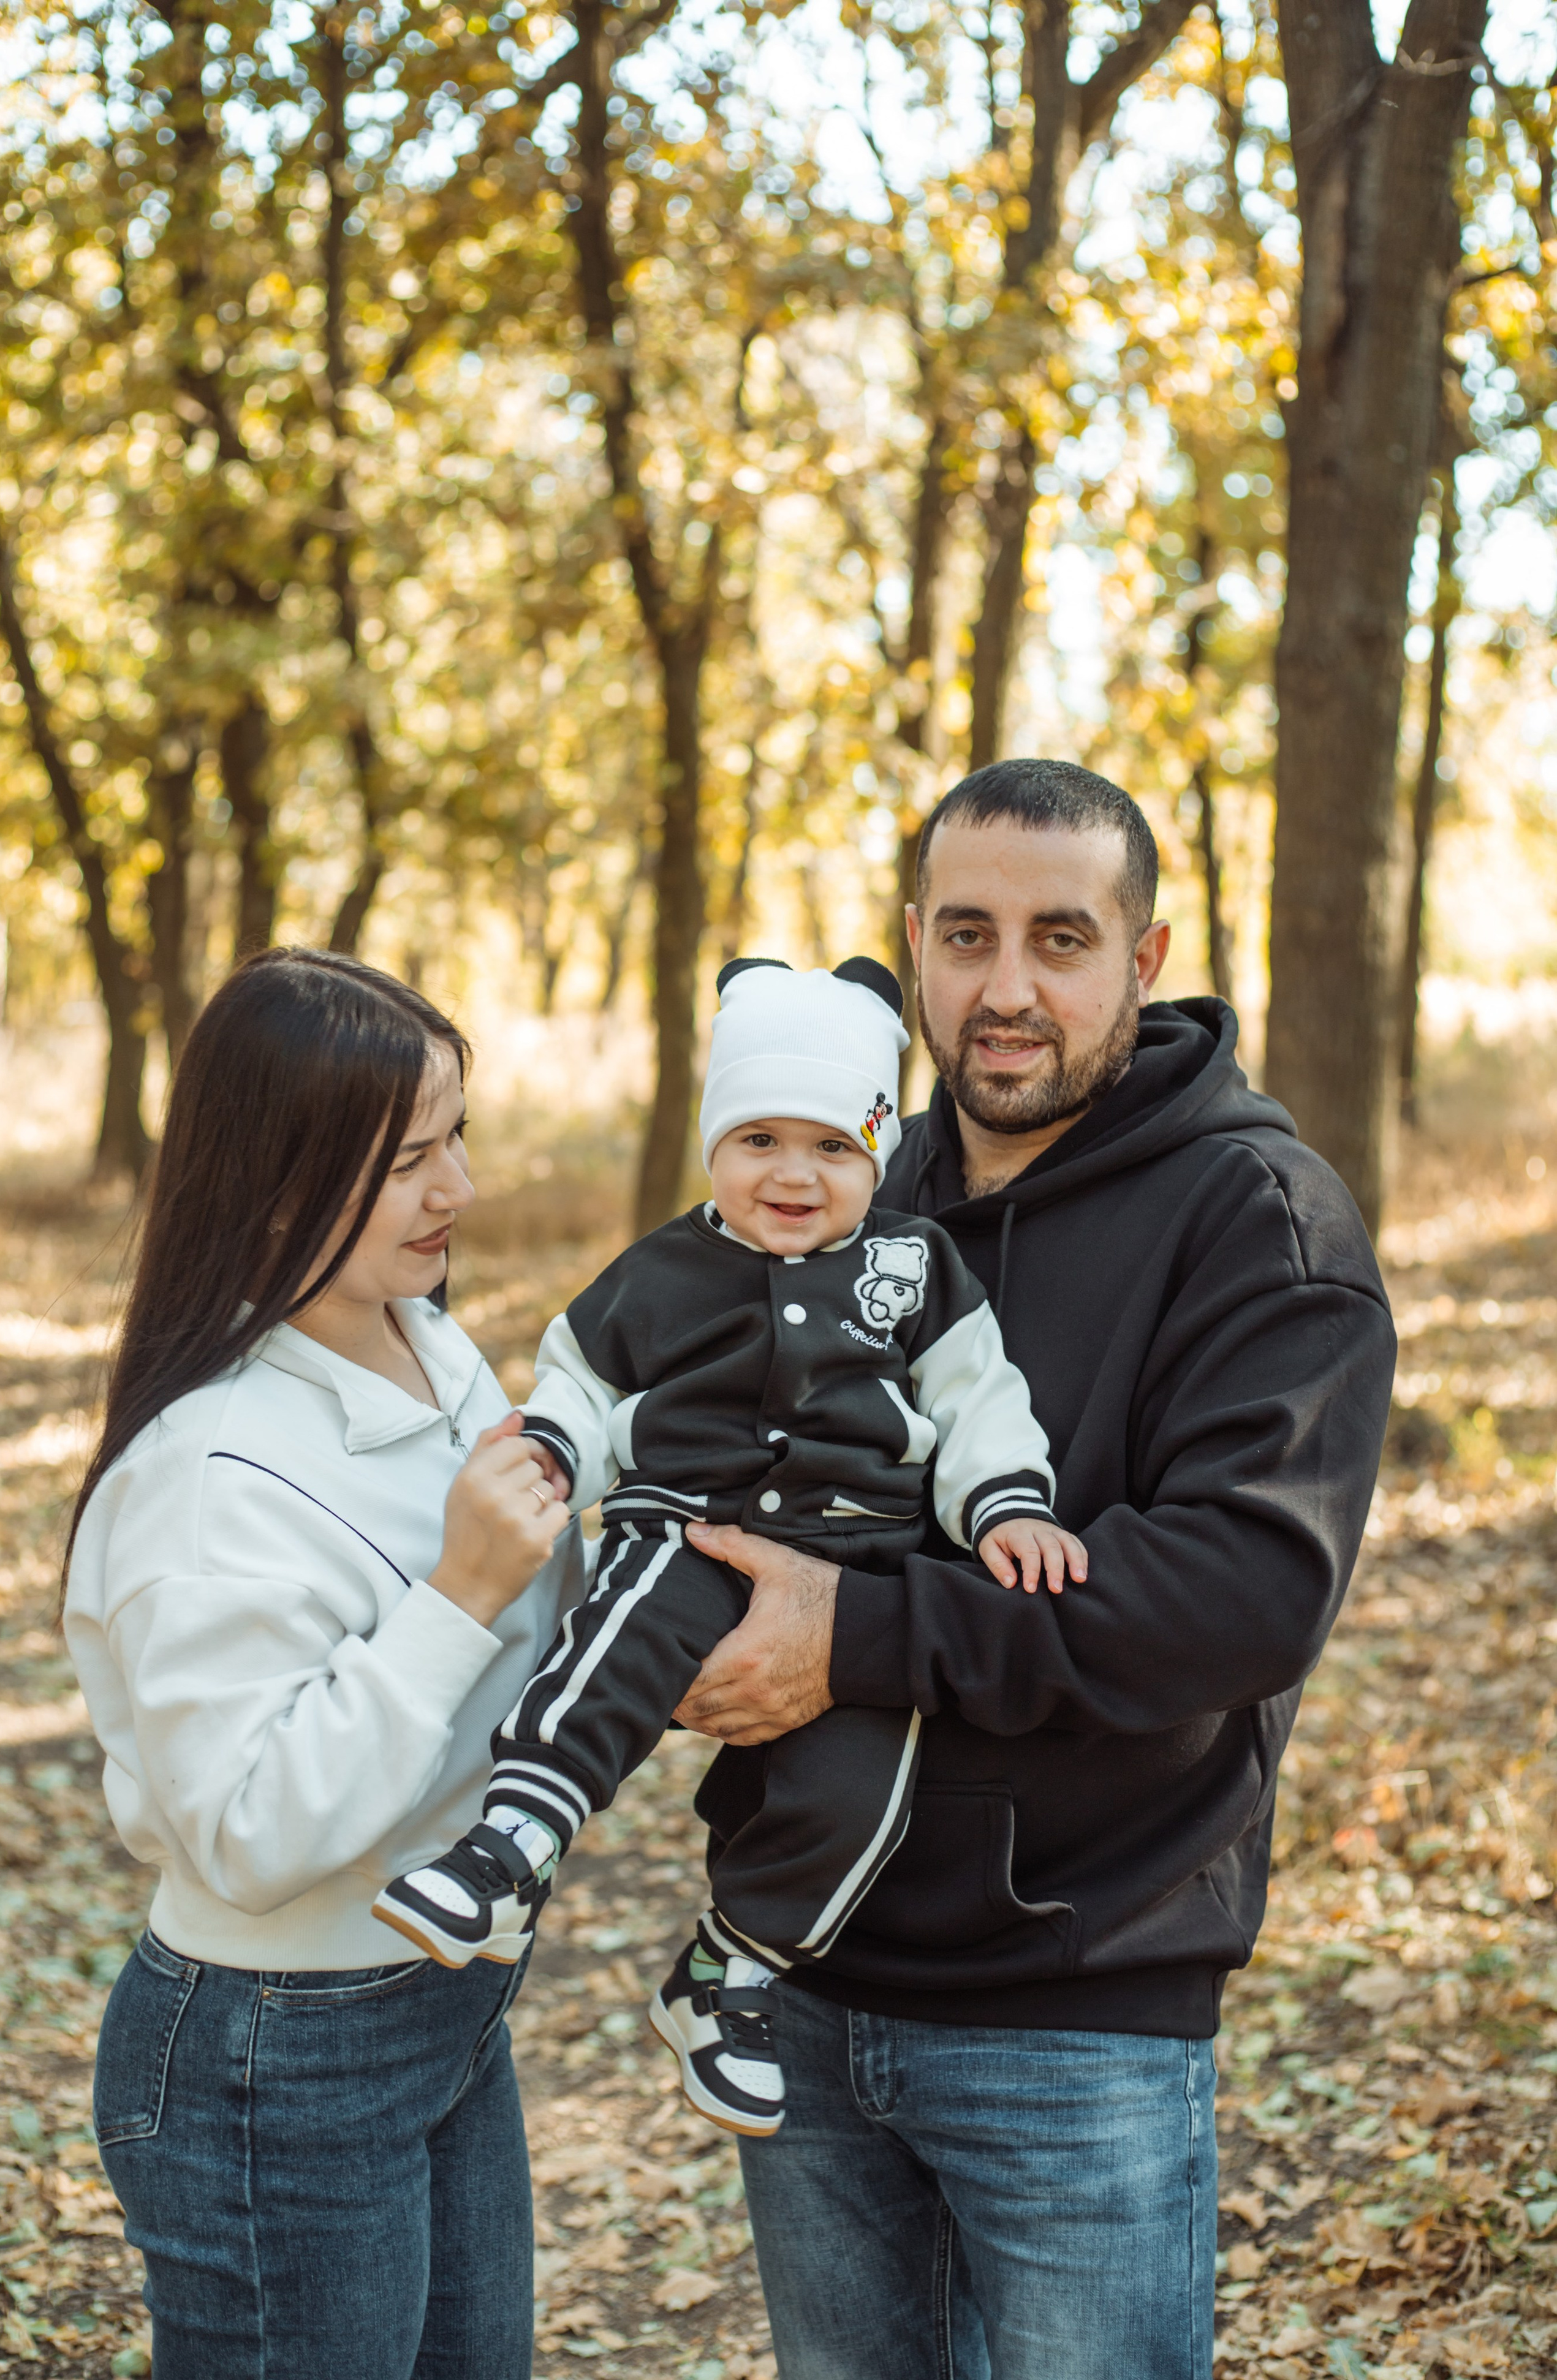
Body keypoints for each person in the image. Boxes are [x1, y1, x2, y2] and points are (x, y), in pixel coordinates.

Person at [670, 760, 1398, 2379]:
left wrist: (853, 1632)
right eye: (969, 933)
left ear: (1142, 958)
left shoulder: (1258, 1216)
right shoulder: (847, 1190)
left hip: (1076, 2009)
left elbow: (1240, 1588)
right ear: (913, 943)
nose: (1007, 990)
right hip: (802, 1977)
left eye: (1060, 938)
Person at [375, 956, 1086, 2139]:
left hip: (861, 1569)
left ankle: (728, 1971)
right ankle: (512, 1845)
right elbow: (582, 1378)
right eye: (758, 1139)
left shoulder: (915, 1268)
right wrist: (556, 1450)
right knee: (619, 1638)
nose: (793, 1174)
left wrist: (1008, 1506)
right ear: (715, 1144)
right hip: (691, 1521)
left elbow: (978, 1399)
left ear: (877, 1151)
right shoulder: (664, 1268)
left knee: (862, 1790)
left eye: (831, 1146)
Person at [63, 948, 584, 2380]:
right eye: (410, 1158)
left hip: (446, 1998)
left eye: (454, 1137)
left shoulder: (426, 1344)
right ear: (280, 1176)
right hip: (277, 2050)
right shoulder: (204, 1476)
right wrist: (458, 1590)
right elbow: (250, 1828)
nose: (459, 1190)